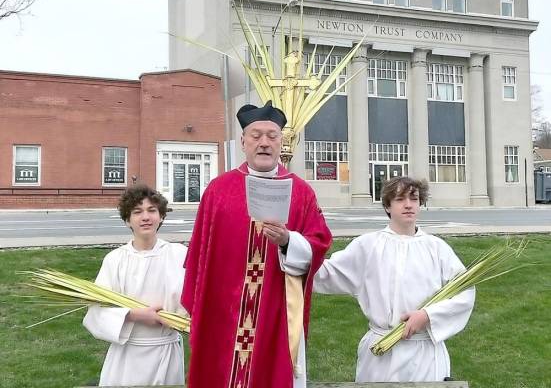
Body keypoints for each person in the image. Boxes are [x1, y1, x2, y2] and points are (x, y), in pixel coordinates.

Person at [181, 101, 332, 388]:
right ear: (243, 141)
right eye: (256, 135)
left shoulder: (300, 192)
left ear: (281, 142)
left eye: (272, 136)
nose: (264, 143)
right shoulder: (219, 190)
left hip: (276, 310)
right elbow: (200, 254)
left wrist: (288, 241)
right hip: (223, 310)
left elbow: (319, 244)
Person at [314, 176, 475, 382]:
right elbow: (328, 273)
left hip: (424, 354)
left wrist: (427, 315)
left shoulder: (437, 248)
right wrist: (290, 250)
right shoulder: (368, 245)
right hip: (381, 352)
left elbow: (465, 291)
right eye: (400, 199)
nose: (408, 205)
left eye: (414, 199)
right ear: (388, 206)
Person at [83, 185, 187, 387]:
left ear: (162, 216)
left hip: (165, 352)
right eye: (137, 212)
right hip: (127, 355)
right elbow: (95, 312)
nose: (145, 217)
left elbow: (196, 300)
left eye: (152, 210)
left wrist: (181, 318)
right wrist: (134, 315)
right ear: (127, 220)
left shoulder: (179, 254)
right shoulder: (115, 260)